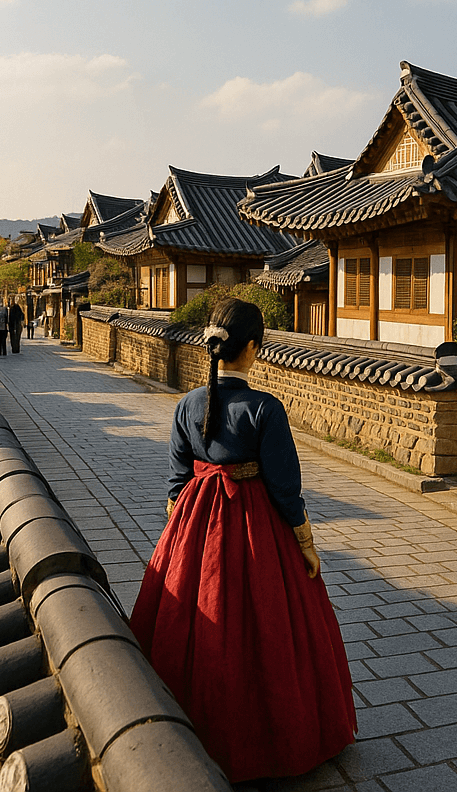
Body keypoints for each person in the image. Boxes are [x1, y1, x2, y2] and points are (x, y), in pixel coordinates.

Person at [129, 297, 356, 783]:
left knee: (196, 618)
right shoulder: (265, 409)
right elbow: (284, 486)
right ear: (252, 348)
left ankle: (183, 723)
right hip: (256, 526)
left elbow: (176, 479)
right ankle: (278, 736)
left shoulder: (188, 404)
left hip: (195, 520)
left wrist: (178, 535)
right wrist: (305, 542)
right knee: (269, 625)